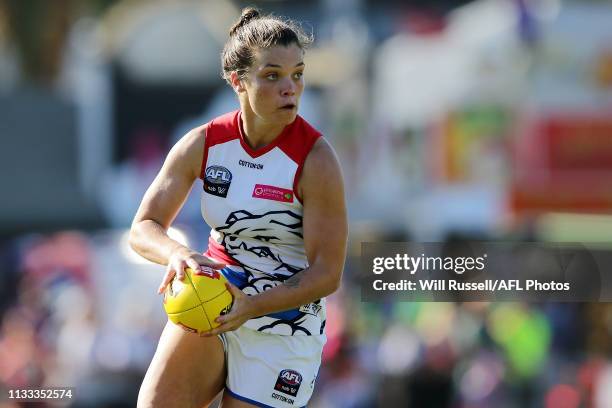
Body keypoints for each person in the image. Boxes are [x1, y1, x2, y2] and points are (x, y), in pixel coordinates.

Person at [129, 7, 348, 408]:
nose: (290, 88)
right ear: (238, 81)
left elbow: (327, 273)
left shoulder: (317, 160)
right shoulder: (203, 143)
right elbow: (144, 226)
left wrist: (254, 306)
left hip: (285, 328)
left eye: (297, 74)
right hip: (214, 301)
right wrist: (177, 253)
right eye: (272, 75)